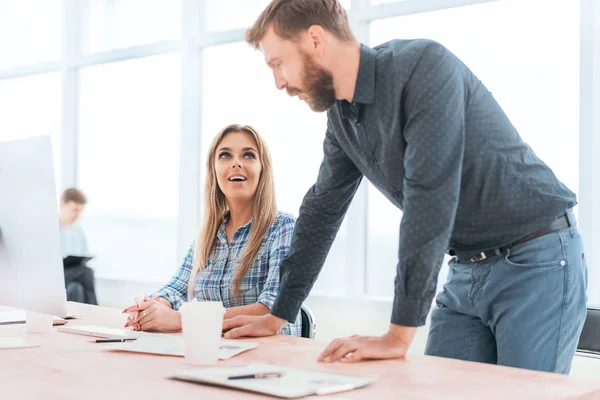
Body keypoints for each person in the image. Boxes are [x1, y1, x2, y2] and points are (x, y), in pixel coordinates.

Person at [222, 0, 588, 374]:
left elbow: (429, 198)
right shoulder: (342, 119)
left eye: (278, 63)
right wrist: (279, 312)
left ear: (315, 39)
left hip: (536, 259)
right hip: (466, 268)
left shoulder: (423, 67)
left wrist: (397, 336)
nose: (279, 82)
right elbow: (322, 210)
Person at [124, 124, 301, 336]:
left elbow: (270, 309)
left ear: (262, 169)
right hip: (215, 352)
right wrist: (151, 307)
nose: (236, 163)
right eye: (225, 155)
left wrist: (182, 319)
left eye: (248, 155)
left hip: (267, 358)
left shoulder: (283, 228)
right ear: (214, 169)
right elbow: (175, 289)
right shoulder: (209, 234)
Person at [59, 188, 98, 305]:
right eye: (74, 210)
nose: (77, 215)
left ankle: (80, 321)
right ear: (62, 205)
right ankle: (95, 311)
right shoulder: (49, 228)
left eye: (80, 211)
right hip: (56, 276)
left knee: (76, 288)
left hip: (73, 275)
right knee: (87, 272)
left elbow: (83, 255)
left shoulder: (78, 231)